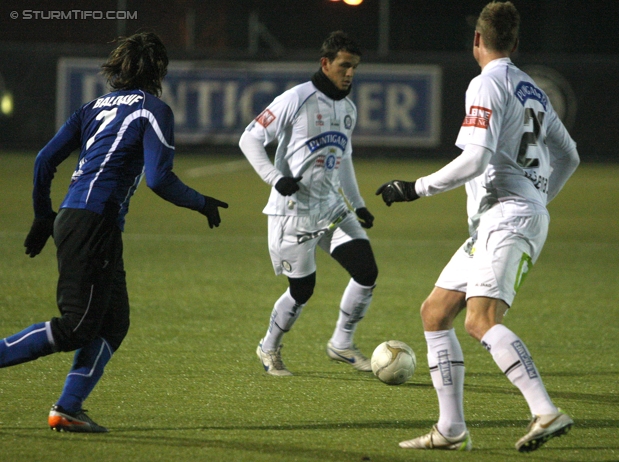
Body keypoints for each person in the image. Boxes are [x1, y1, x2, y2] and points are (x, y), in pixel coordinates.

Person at [376, 1, 580, 453]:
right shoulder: (534, 90)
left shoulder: (486, 84)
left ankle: (545, 410)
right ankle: (451, 429)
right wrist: (538, 197)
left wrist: (415, 188)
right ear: (514, 42)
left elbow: (475, 159)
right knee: (435, 312)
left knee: (481, 319)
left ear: (476, 40)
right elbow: (570, 156)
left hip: (507, 217)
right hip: (500, 218)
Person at [0, 32, 228, 433]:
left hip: (77, 218)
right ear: (158, 70)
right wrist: (201, 202)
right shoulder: (153, 110)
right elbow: (159, 180)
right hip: (95, 224)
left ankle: (69, 407)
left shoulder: (91, 108)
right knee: (77, 327)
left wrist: (42, 215)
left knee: (113, 321)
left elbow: (44, 159)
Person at [239, 31, 378, 376]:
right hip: (294, 212)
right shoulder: (297, 98)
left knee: (366, 271)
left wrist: (357, 204)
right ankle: (268, 347)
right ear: (325, 63)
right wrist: (275, 178)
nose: (350, 74)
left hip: (331, 207)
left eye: (355, 68)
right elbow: (250, 137)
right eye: (345, 66)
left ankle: (341, 343)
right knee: (302, 289)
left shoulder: (347, 108)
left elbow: (342, 158)